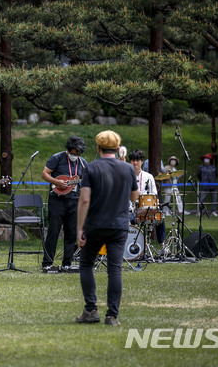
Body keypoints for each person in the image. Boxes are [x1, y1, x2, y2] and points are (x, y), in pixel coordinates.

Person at [76, 130, 139, 326]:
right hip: (119, 225)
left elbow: (85, 199)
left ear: (98, 148)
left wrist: (79, 229)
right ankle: (112, 315)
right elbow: (134, 197)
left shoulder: (91, 167)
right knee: (115, 269)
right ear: (118, 149)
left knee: (86, 264)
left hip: (95, 224)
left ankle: (91, 310)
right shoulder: (128, 169)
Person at [41, 136, 88, 272]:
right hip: (57, 200)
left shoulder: (83, 163)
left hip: (74, 200)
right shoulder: (57, 158)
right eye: (73, 153)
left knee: (71, 233)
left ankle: (67, 262)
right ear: (68, 150)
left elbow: (87, 180)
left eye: (78, 154)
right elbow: (44, 174)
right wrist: (57, 182)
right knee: (53, 232)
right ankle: (47, 263)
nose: (75, 156)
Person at [129, 149, 164, 244]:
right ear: (130, 161)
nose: (135, 162)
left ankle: (162, 246)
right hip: (131, 208)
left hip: (146, 207)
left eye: (138, 160)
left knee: (160, 217)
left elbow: (154, 194)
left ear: (142, 161)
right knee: (130, 219)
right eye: (133, 160)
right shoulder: (126, 176)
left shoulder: (149, 176)